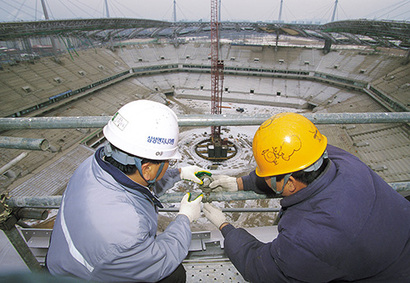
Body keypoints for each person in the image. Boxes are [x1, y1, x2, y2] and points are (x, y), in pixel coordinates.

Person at [204, 112, 410, 282]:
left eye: (265, 176)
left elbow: (260, 269)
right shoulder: (338, 159)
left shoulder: (307, 236)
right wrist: (239, 183)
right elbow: (287, 168)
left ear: (291, 184)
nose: (263, 177)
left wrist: (225, 227)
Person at [47, 100, 209, 282]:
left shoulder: (93, 165)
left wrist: (179, 173)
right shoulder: (128, 231)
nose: (170, 164)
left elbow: (138, 181)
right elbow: (161, 261)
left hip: (68, 263)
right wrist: (184, 218)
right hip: (85, 277)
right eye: (168, 161)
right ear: (147, 169)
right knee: (174, 276)